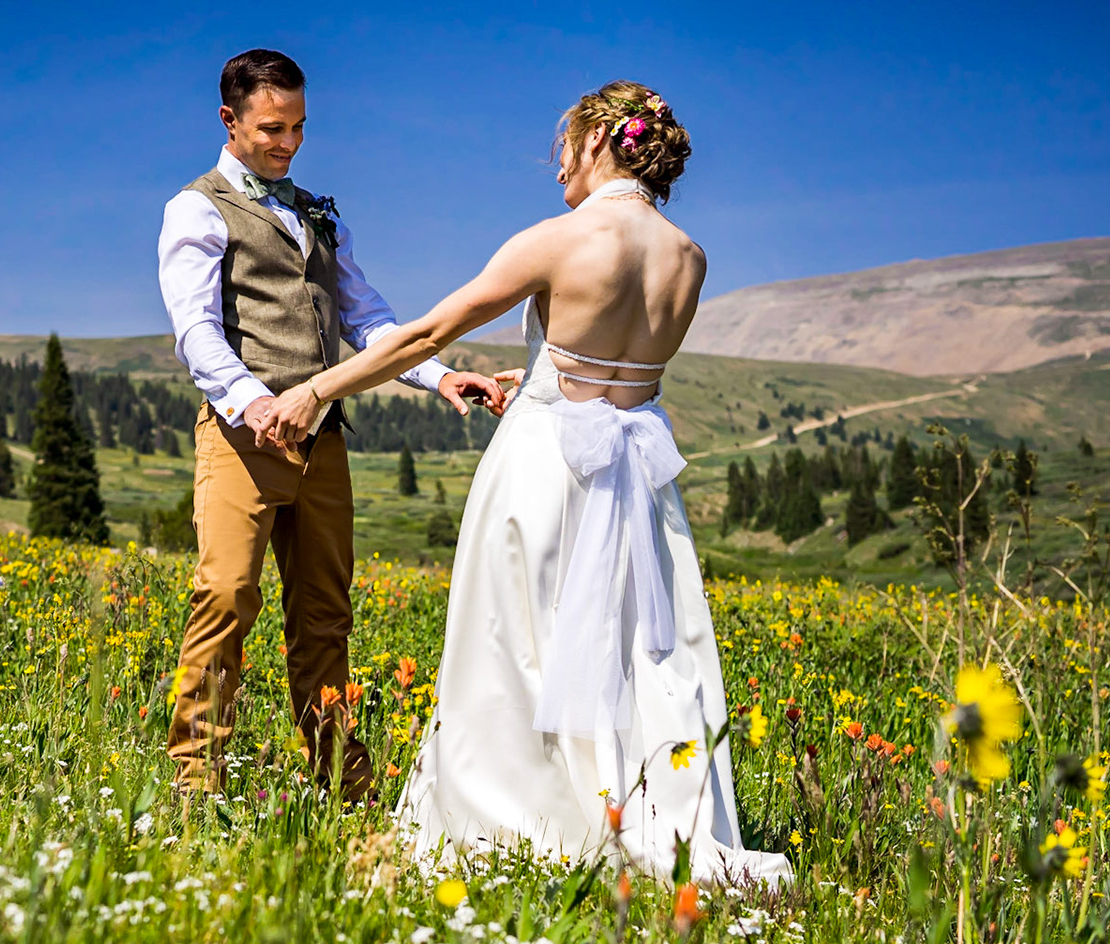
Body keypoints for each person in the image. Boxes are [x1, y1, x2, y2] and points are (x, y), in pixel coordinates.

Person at [268, 81, 791, 884]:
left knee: (514, 641)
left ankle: (521, 821)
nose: (558, 174)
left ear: (600, 142)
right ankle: (643, 805)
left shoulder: (559, 239)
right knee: (635, 650)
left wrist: (318, 389)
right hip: (639, 479)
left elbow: (427, 333)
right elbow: (617, 375)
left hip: (547, 468)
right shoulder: (690, 259)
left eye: (564, 152)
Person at [156, 48, 504, 799]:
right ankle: (195, 784)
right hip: (242, 441)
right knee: (225, 596)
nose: (288, 143)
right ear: (231, 121)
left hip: (325, 442)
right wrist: (253, 402)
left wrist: (441, 376)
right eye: (272, 128)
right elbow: (195, 331)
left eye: (300, 128)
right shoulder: (196, 207)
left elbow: (368, 318)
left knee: (325, 616)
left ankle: (342, 786)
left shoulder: (319, 212)